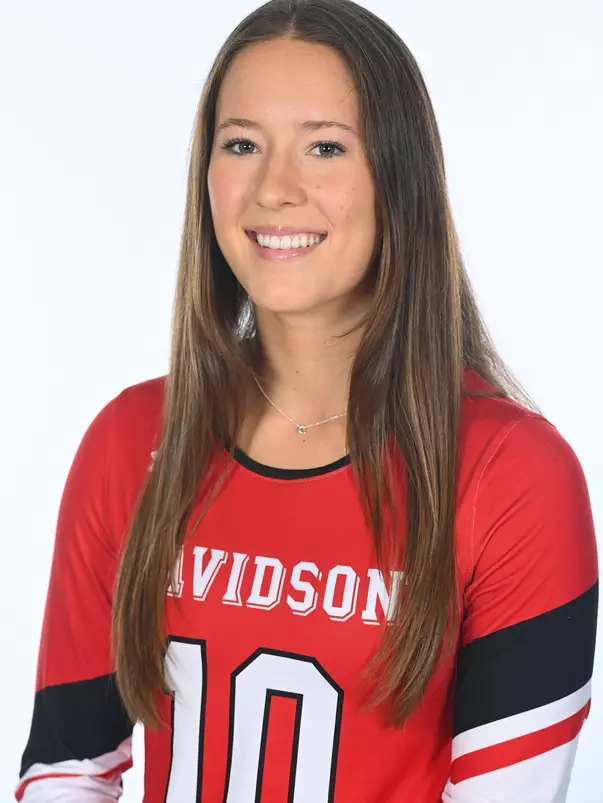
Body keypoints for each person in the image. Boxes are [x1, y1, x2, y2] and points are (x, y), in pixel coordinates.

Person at [16, 1, 598, 801]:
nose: (274, 189)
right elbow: (66, 771)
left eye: (324, 146)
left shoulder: (513, 475)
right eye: (242, 145)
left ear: (397, 178)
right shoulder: (132, 439)